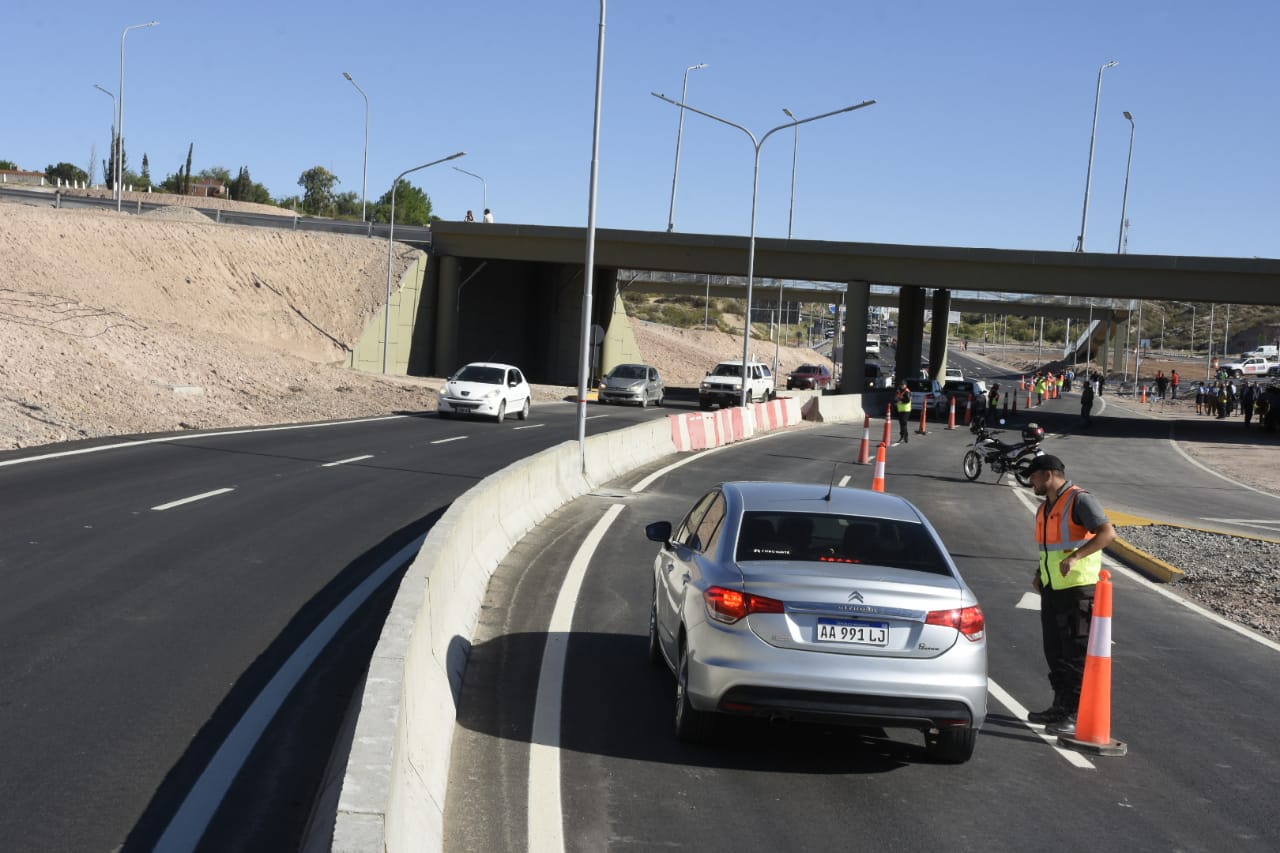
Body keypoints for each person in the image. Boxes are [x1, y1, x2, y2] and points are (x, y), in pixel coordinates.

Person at [1025, 454, 1117, 735]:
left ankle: (1075, 714)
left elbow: (1107, 534)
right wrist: (1041, 574)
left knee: (1075, 654)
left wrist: (1077, 557)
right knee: (1054, 652)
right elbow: (1050, 550)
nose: (1031, 482)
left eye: (1033, 476)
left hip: (1079, 590)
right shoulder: (1045, 508)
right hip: (1053, 588)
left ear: (1048, 474)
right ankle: (1059, 707)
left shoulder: (1079, 500)